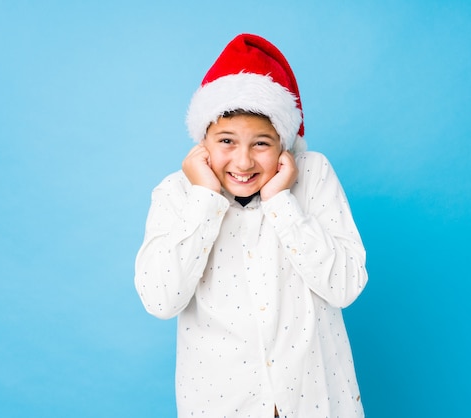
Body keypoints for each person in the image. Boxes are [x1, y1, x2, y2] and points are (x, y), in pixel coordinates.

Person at [134, 33, 368, 418]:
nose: (242, 162)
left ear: (284, 145)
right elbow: (161, 300)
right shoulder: (177, 195)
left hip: (318, 402)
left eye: (261, 143)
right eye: (226, 140)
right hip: (221, 406)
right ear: (202, 141)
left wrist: (281, 201)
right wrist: (205, 200)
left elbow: (346, 286)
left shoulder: (314, 176)